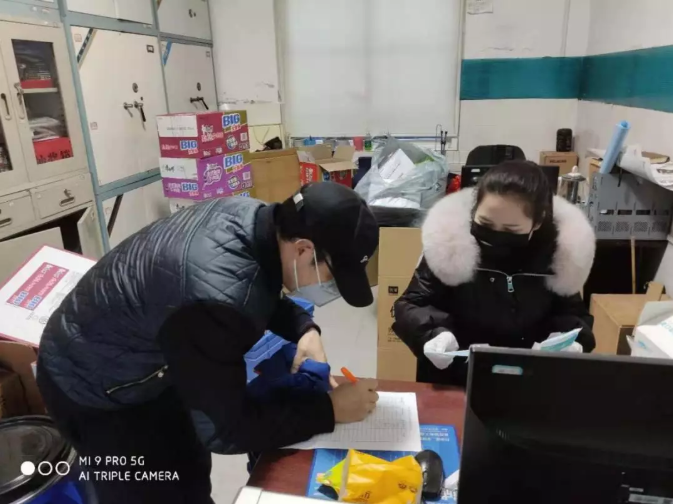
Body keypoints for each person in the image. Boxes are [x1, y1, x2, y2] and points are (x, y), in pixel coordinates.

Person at [36, 182, 380, 504]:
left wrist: (304, 328)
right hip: (91, 386)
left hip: (147, 355)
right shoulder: (214, 305)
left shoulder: (254, 217)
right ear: (303, 249)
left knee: (189, 472)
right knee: (151, 493)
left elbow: (255, 282)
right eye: (331, 277)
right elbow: (225, 431)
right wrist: (330, 410)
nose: (329, 288)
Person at [393, 161, 596, 387]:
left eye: (511, 230)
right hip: (456, 376)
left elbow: (574, 314)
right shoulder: (450, 244)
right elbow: (411, 304)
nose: (496, 235)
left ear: (537, 222)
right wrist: (433, 335)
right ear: (474, 210)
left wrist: (569, 340)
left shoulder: (559, 255)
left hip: (529, 379)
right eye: (485, 223)